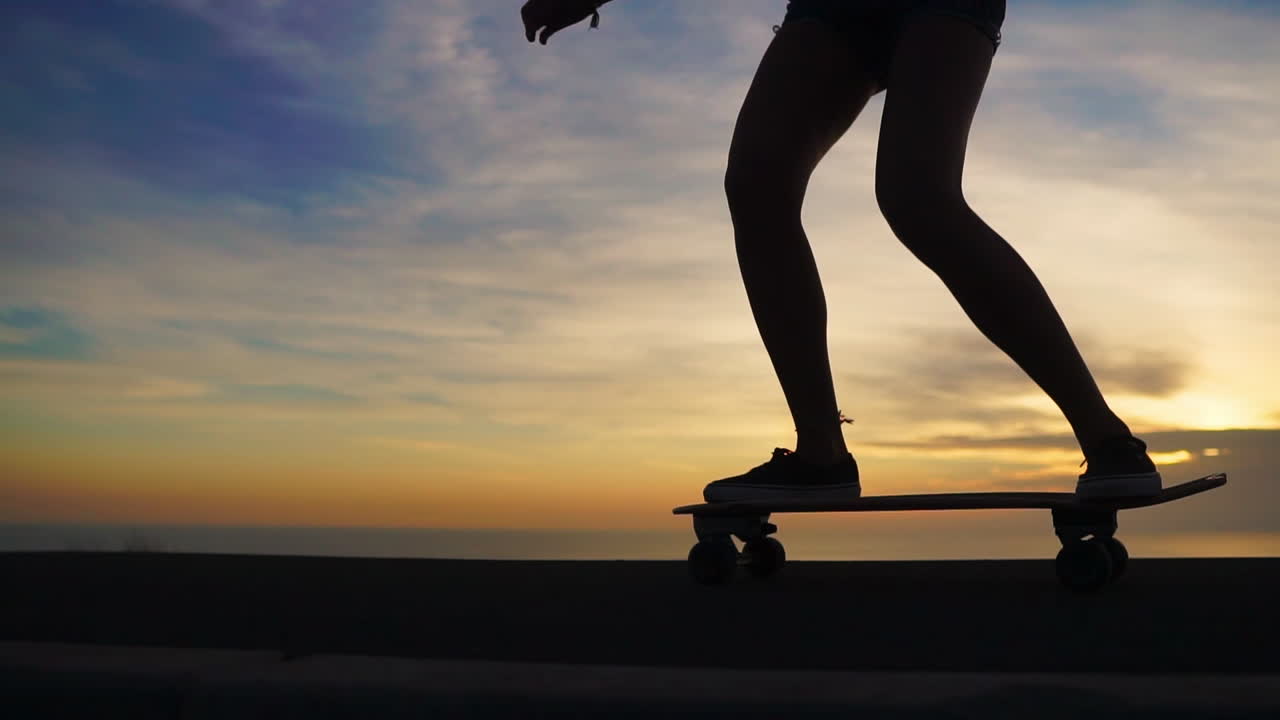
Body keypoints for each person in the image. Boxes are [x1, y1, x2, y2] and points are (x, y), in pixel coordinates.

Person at [520, 0, 1162, 503]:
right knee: (757, 184)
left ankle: (1108, 440)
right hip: (831, 9)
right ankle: (821, 455)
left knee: (918, 198)